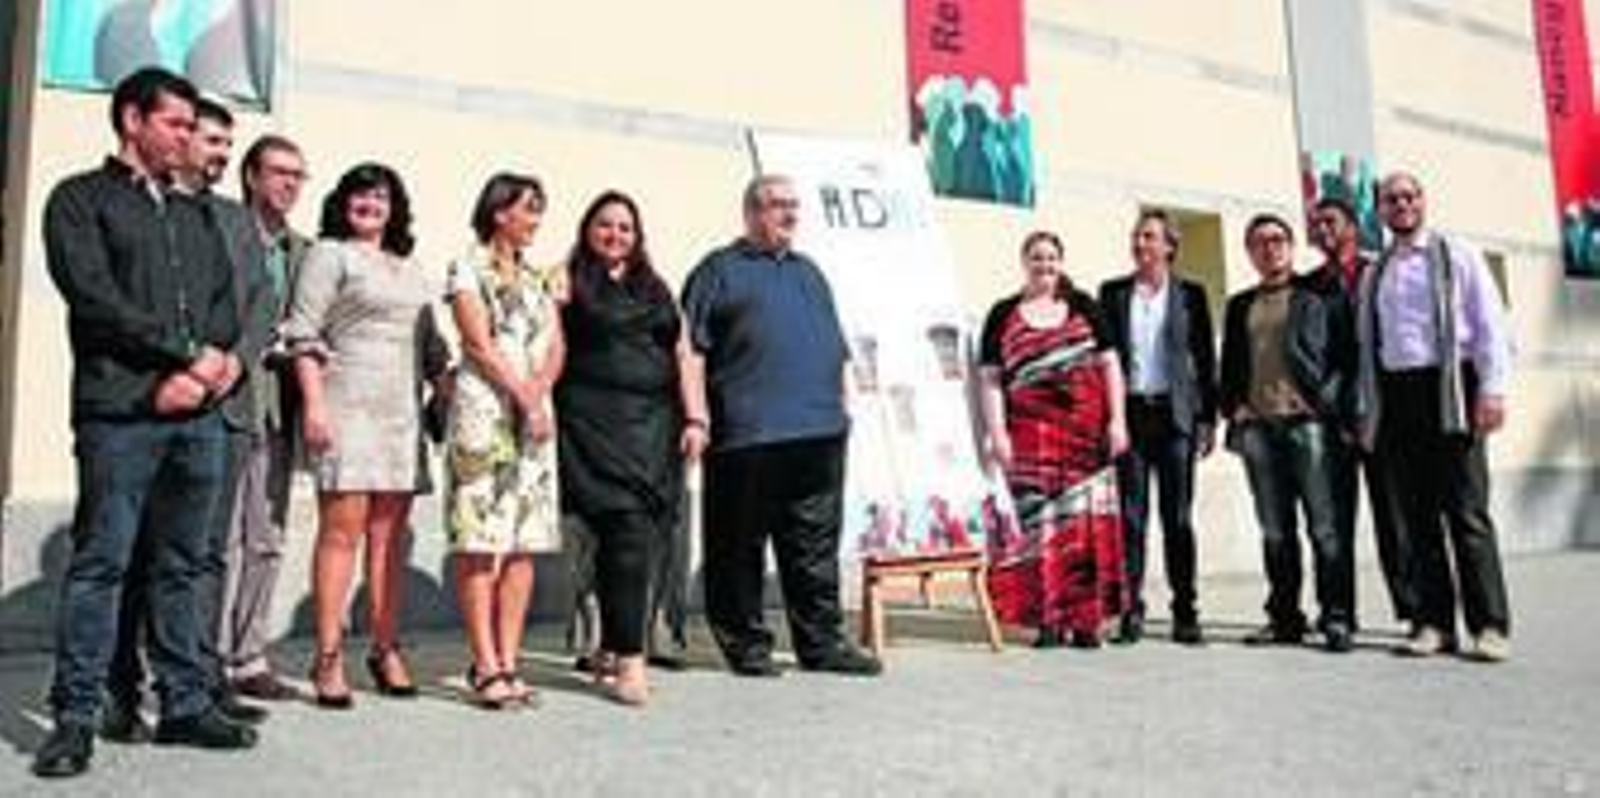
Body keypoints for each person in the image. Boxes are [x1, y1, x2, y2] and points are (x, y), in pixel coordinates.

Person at [34, 67, 257, 780]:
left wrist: (215, 369)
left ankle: (185, 703)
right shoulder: (79, 201)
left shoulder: (195, 214)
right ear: (133, 121)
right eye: (177, 125)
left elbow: (225, 302)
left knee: (183, 565)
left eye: (194, 127)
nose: (189, 139)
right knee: (102, 564)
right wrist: (181, 363)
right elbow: (97, 301)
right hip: (120, 415)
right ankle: (77, 715)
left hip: (199, 418)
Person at [681, 174, 881, 677]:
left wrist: (841, 411)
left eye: (794, 205)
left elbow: (834, 348)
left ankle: (822, 644)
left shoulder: (809, 272)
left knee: (813, 545)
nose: (789, 214)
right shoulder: (718, 270)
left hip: (818, 433)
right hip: (745, 435)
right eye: (777, 206)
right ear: (750, 212)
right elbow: (690, 350)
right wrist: (696, 417)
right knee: (738, 546)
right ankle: (747, 646)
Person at [283, 162, 451, 707]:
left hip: (400, 417)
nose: (370, 204)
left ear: (394, 208)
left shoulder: (411, 268)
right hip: (346, 409)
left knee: (389, 540)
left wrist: (453, 393)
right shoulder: (329, 254)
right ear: (342, 201)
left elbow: (432, 349)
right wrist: (313, 405)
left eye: (381, 197)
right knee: (342, 533)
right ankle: (328, 655)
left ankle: (385, 647)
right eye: (360, 194)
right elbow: (302, 333)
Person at [556, 190, 707, 705]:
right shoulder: (566, 279)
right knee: (620, 534)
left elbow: (683, 353)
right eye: (605, 225)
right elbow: (546, 344)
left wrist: (696, 417)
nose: (615, 235)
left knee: (633, 537)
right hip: (590, 426)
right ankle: (629, 660)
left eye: (625, 227)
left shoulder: (656, 287)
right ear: (587, 229)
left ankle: (611, 646)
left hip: (653, 429)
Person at [1357, 171, 1515, 662]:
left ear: (1423, 203)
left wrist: (1492, 390)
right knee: (1417, 517)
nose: (1401, 205)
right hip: (1398, 396)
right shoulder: (1375, 270)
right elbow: (1371, 345)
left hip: (1452, 389)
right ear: (1380, 211)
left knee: (1466, 512)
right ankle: (1434, 623)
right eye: (1391, 199)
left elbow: (1491, 325)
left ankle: (1489, 625)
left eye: (1409, 196)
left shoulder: (1457, 254)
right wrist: (1370, 409)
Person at [444, 173, 563, 708]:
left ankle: (510, 660)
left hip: (533, 421)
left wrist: (537, 394)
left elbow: (556, 344)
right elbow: (478, 342)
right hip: (486, 417)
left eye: (539, 210)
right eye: (527, 209)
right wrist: (521, 394)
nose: (535, 220)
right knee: (479, 542)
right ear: (499, 212)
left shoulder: (539, 277)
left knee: (522, 545)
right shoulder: (466, 266)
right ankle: (485, 663)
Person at [978, 230, 1129, 649]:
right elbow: (989, 379)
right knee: (1037, 531)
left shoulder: (1084, 306)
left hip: (1085, 437)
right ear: (1024, 262)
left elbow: (1111, 365)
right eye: (1037, 257)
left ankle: (1086, 621)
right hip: (1030, 439)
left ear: (1061, 262)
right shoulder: (1003, 313)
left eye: (1051, 258)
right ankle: (1044, 620)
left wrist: (1118, 420)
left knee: (1084, 529)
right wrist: (997, 434)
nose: (1045, 265)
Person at [1220, 213, 1356, 652]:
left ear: (1291, 246)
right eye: (1259, 242)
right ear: (1249, 252)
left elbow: (1344, 356)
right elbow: (1230, 367)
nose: (1270, 248)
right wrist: (1234, 408)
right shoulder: (1241, 304)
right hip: (1259, 428)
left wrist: (1324, 404)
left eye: (1277, 240)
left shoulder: (1315, 295)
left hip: (1309, 426)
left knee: (1324, 527)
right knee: (1275, 529)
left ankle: (1336, 616)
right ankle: (1284, 618)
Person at [218, 134, 312, 700]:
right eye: (279, 172)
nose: (289, 184)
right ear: (251, 176)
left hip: (280, 408)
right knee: (222, 539)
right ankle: (206, 657)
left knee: (268, 536)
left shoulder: (305, 252)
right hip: (229, 401)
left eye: (298, 175)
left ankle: (249, 656)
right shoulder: (224, 232)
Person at [1098, 209, 1218, 645]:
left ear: (1169, 246)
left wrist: (1207, 419)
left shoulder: (1191, 295)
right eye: (1136, 236)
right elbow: (1103, 361)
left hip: (1175, 418)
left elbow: (1205, 361)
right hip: (1130, 417)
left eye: (1149, 237)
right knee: (1130, 520)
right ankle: (1131, 610)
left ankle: (1185, 610)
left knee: (1178, 518)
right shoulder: (1112, 294)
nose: (1140, 243)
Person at [1308, 196, 1413, 627]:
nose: (1323, 231)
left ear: (1353, 226)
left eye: (1330, 222)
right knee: (1331, 522)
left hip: (1383, 414)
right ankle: (1338, 612)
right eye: (1316, 225)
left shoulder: (1381, 271)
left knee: (1395, 517)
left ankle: (1414, 611)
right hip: (1332, 418)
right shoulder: (1309, 286)